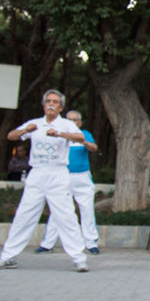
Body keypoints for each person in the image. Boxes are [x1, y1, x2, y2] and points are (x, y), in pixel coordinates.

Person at [1, 90, 89, 272]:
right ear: (43, 105)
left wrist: (59, 134)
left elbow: (80, 137)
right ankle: (8, 256)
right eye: (48, 101)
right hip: (37, 173)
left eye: (55, 102)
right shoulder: (35, 123)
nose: (51, 104)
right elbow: (11, 136)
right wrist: (26, 130)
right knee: (24, 214)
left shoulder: (66, 124)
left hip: (58, 173)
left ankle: (79, 258)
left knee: (66, 216)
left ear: (61, 107)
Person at [36, 110, 100, 255]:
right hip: (62, 176)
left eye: (75, 120)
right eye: (69, 120)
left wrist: (84, 142)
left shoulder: (84, 134)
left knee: (87, 210)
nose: (72, 122)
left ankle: (91, 243)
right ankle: (47, 244)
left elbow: (94, 148)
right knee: (57, 209)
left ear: (80, 122)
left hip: (82, 177)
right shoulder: (59, 134)